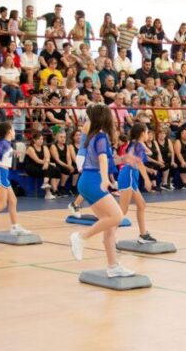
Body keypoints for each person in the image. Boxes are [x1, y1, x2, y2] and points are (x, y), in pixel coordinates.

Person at [68, 105, 135, 278]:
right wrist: (105, 179)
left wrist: (124, 159)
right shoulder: (101, 136)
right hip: (93, 180)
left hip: (87, 181)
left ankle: (113, 266)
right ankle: (81, 237)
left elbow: (105, 159)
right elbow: (102, 159)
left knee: (110, 226)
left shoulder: (93, 136)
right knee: (117, 216)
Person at [116, 123, 157, 243]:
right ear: (142, 133)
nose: (148, 134)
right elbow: (139, 163)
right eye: (146, 131)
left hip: (131, 176)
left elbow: (141, 160)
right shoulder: (137, 145)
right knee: (123, 210)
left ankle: (143, 235)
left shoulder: (137, 144)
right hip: (127, 176)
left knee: (141, 205)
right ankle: (109, 235)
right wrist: (147, 180)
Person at [24, 131, 58, 200]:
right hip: (31, 167)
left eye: (42, 139)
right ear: (34, 140)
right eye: (39, 139)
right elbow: (37, 160)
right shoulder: (30, 148)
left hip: (41, 166)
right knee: (50, 168)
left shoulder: (44, 147)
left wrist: (47, 162)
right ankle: (48, 193)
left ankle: (46, 185)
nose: (41, 141)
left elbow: (47, 158)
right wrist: (48, 163)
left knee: (53, 169)